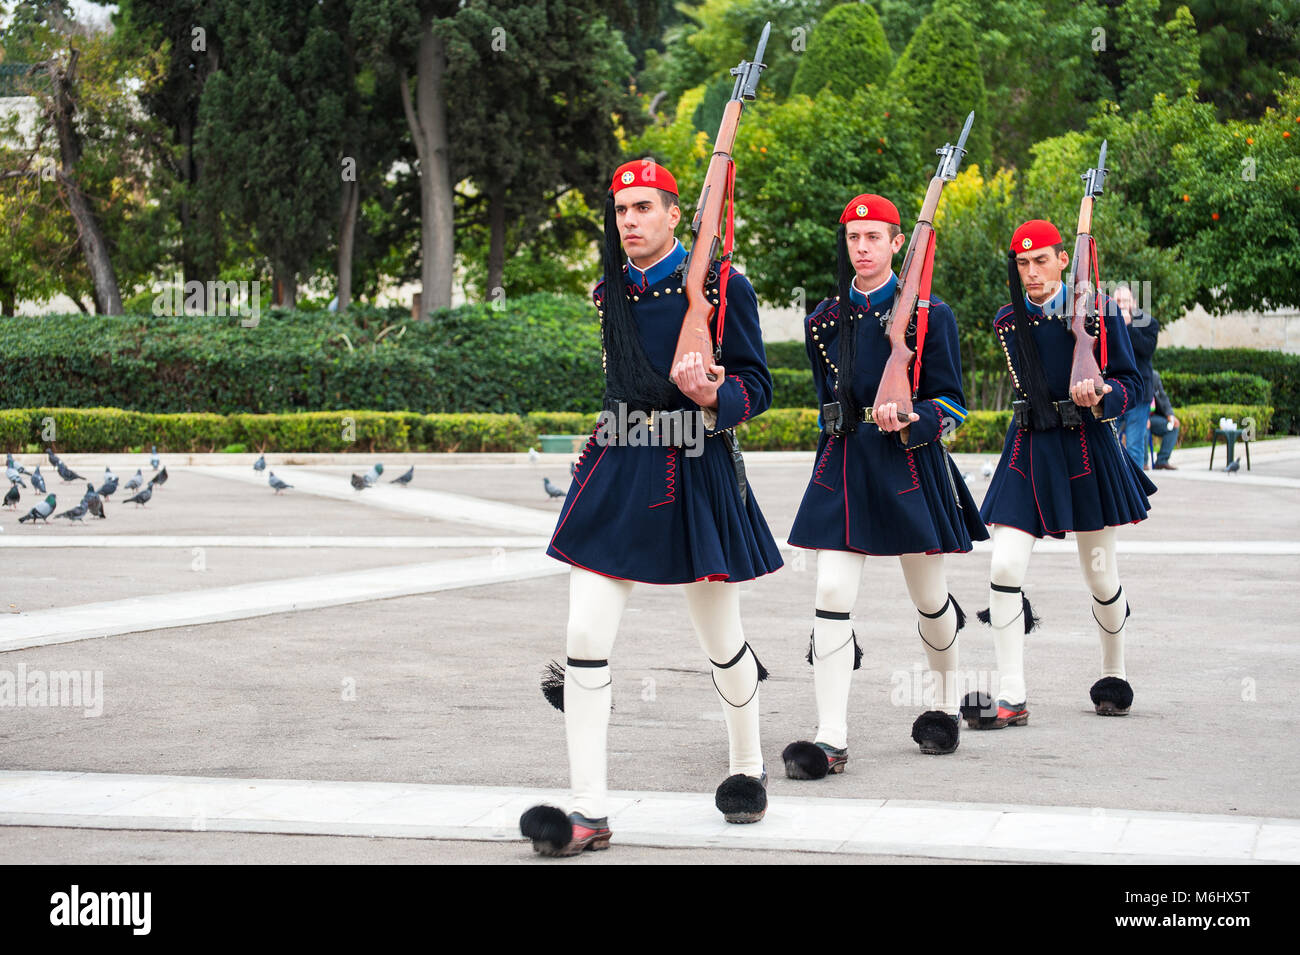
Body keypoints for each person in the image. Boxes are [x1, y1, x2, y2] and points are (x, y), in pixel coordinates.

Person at [520, 160, 783, 857]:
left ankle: (748, 765)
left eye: (643, 207)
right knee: (584, 637)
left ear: (674, 215)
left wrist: (713, 398)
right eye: (620, 209)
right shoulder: (610, 290)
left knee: (720, 638)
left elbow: (759, 387)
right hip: (621, 463)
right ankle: (588, 811)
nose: (629, 220)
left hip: (696, 467)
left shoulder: (726, 287)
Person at [781, 193, 989, 776]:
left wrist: (911, 419)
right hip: (845, 463)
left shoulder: (930, 314)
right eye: (854, 237)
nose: (863, 248)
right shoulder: (823, 319)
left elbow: (950, 400)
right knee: (831, 596)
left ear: (899, 243)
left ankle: (945, 705)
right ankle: (830, 737)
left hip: (908, 466)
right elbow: (827, 396)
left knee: (928, 598)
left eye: (875, 237)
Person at [967, 219, 1157, 730]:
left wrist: (1103, 395)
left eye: (1041, 261)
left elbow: (1132, 385)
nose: (1032, 273)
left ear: (1061, 260)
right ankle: (1011, 695)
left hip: (1086, 446)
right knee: (1004, 568)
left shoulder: (1095, 313)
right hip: (1029, 445)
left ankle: (1113, 674)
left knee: (1100, 575)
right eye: (1023, 264)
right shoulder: (1009, 319)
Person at [1113, 285, 1159, 470]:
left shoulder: (1148, 323)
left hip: (1139, 394)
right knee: (1108, 444)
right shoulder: (1106, 322)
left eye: (1125, 301)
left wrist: (1129, 326)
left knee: (1134, 447)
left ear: (1133, 302)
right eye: (1118, 301)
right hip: (1114, 391)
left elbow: (1147, 350)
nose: (1122, 305)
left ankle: (1136, 492)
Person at [1148, 369, 1180, 470]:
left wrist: (1170, 415)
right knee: (1141, 428)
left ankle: (1162, 461)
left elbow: (1163, 397)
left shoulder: (1154, 376)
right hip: (1136, 418)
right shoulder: (1134, 374)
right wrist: (1143, 418)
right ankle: (1142, 463)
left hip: (1153, 417)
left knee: (1173, 427)